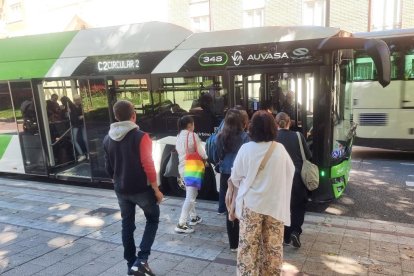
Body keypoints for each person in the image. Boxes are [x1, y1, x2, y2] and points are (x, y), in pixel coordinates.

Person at [230, 110, 294, 276]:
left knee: (248, 250)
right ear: (273, 128)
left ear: (252, 128)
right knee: (273, 251)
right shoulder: (280, 150)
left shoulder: (246, 149)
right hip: (275, 207)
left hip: (252, 207)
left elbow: (235, 177)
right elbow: (290, 172)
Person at [103, 100, 163, 276]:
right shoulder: (141, 136)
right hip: (141, 189)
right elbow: (148, 165)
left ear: (116, 116)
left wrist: (118, 179)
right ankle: (142, 260)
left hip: (121, 189)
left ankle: (131, 264)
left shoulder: (107, 138)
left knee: (127, 225)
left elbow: (108, 169)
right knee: (153, 218)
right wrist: (156, 190)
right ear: (133, 115)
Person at [275, 112, 312, 249]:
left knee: (282, 206)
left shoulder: (273, 137)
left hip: (278, 178)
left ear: (276, 123)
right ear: (289, 122)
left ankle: (284, 236)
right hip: (296, 178)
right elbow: (307, 155)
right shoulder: (298, 136)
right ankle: (296, 231)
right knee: (298, 206)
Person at [216, 109, 250, 251]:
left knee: (230, 205)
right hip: (240, 175)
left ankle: (233, 244)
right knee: (242, 205)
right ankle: (242, 239)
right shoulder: (245, 137)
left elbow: (218, 155)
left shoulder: (220, 137)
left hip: (225, 174)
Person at [175, 115, 207, 233]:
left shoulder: (178, 136)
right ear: (190, 125)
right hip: (192, 168)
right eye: (193, 124)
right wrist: (206, 158)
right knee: (191, 196)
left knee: (191, 193)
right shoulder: (192, 135)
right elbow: (201, 152)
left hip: (182, 168)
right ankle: (181, 223)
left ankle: (193, 217)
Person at [71, 95, 88, 162]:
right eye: (76, 100)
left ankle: (84, 154)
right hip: (77, 124)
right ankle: (82, 154)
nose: (77, 101)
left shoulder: (79, 106)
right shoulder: (72, 107)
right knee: (75, 140)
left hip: (80, 124)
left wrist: (82, 116)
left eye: (78, 100)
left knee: (84, 139)